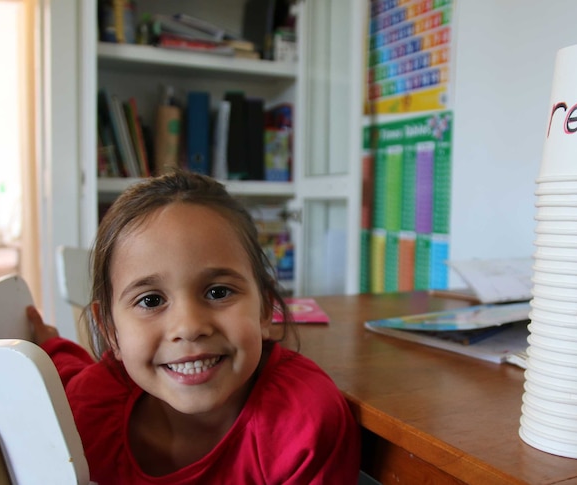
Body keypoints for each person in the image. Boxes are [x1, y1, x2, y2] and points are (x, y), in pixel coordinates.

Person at [28, 171, 361, 484]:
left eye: (218, 292)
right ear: (111, 331)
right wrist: (49, 346)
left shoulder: (304, 424)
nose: (188, 327)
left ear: (264, 310)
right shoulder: (89, 408)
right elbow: (68, 376)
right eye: (150, 301)